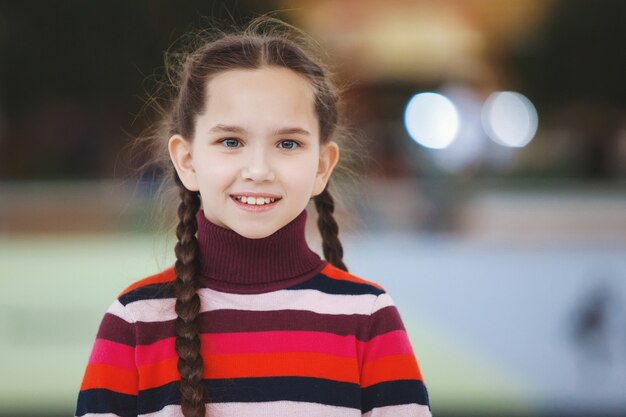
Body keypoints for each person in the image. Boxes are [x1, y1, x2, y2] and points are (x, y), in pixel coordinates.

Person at [75, 16, 432, 417]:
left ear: (321, 166)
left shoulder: (369, 318)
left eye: (287, 143)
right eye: (231, 141)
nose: (258, 170)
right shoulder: (135, 322)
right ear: (187, 160)